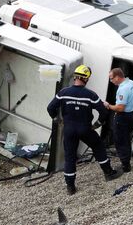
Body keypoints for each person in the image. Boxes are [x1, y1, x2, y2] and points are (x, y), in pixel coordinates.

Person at [47, 65, 121, 195]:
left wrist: (57, 119)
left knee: (69, 157)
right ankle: (108, 173)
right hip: (85, 128)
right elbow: (103, 111)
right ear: (86, 79)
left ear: (75, 77)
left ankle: (70, 187)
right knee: (98, 147)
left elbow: (50, 108)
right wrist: (98, 123)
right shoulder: (90, 95)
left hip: (69, 129)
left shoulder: (63, 93)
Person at [103, 68, 133, 173]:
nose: (111, 81)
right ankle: (127, 160)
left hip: (122, 116)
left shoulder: (122, 89)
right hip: (131, 114)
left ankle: (125, 165)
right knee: (126, 138)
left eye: (112, 78)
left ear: (118, 77)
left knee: (120, 140)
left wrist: (108, 105)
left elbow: (120, 108)